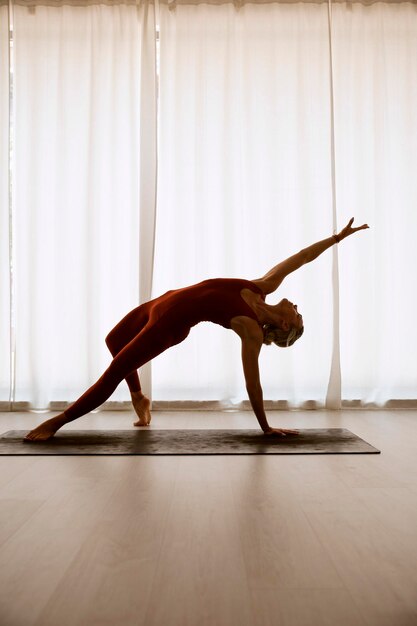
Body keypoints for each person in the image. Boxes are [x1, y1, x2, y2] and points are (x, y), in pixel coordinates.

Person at [24, 217, 369, 442]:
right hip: (162, 302)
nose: (297, 308)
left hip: (168, 324)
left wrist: (265, 427)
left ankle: (55, 424)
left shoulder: (250, 329)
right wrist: (337, 238)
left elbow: (253, 381)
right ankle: (140, 398)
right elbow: (302, 257)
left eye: (298, 316)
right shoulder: (264, 286)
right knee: (113, 340)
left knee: (114, 371)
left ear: (284, 325)